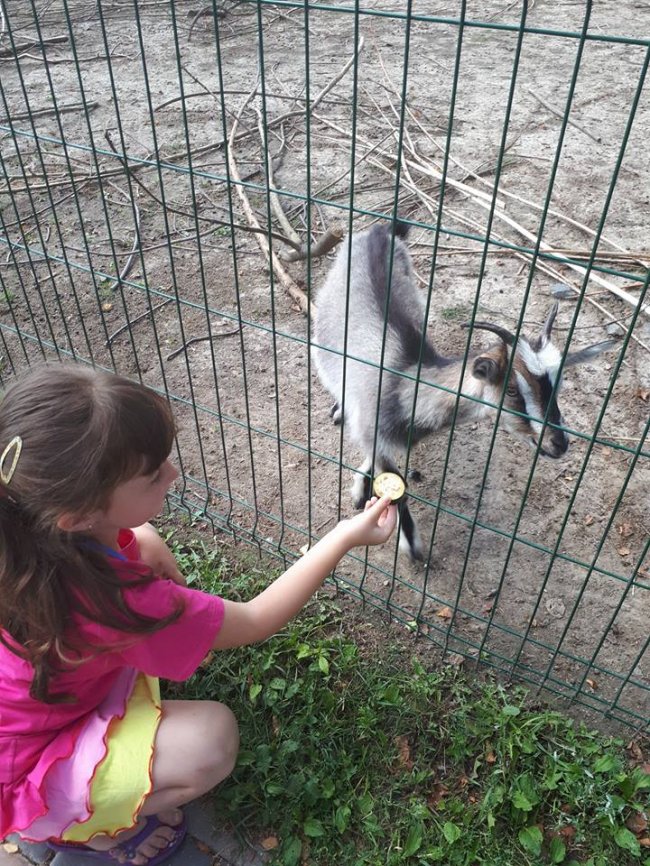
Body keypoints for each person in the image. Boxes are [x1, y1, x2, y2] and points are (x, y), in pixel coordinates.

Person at [0, 364, 397, 866]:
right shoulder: (116, 602)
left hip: (23, 709)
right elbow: (255, 620)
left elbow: (134, 542)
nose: (172, 474)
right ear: (77, 517)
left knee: (143, 543)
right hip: (26, 767)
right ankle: (75, 826)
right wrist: (342, 537)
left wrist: (146, 538)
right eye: (152, 474)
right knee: (211, 740)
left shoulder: (25, 537)